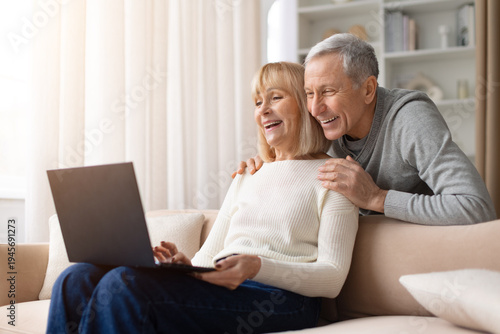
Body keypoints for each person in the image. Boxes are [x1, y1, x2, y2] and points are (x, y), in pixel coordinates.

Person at [46, 62, 359, 334]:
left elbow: (332, 278)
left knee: (123, 284)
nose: (262, 110)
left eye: (276, 98)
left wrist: (255, 267)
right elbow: (209, 258)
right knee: (76, 278)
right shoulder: (249, 174)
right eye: (257, 101)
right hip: (224, 286)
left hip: (281, 298)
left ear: (307, 106)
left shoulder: (336, 176)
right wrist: (187, 268)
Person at [237, 33, 496, 226]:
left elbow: (476, 208)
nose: (315, 109)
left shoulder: (409, 120)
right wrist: (268, 165)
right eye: (308, 94)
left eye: (328, 91)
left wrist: (376, 198)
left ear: (369, 89)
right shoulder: (330, 121)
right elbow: (300, 150)